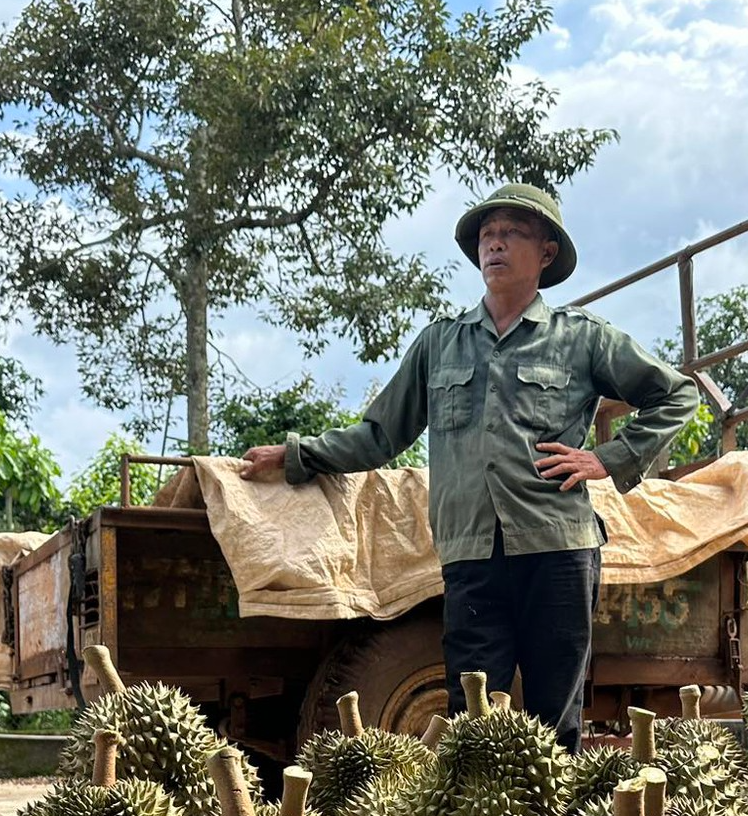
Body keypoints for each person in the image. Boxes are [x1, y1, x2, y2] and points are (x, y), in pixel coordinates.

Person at [241, 183, 699, 750]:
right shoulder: (441, 344)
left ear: (546, 252)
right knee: (470, 723)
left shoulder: (581, 340)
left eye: (512, 234)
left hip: (556, 550)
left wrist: (608, 459)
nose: (496, 245)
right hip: (471, 555)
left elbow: (677, 394)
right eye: (488, 235)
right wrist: (298, 455)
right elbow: (380, 434)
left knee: (556, 720)